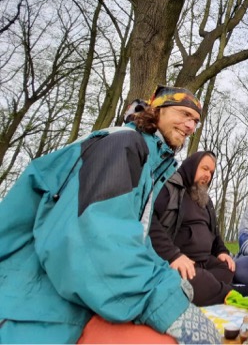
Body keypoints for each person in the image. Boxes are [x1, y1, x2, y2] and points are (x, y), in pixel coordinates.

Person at [0, 85, 221, 344]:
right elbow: (94, 241)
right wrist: (168, 306)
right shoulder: (121, 144)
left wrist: (170, 282)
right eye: (184, 114)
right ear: (158, 109)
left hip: (69, 291)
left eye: (195, 120)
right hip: (31, 300)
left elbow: (134, 239)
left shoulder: (149, 163)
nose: (190, 125)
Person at [150, 150, 235, 306]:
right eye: (204, 168)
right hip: (179, 260)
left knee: (227, 268)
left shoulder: (206, 200)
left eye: (211, 172)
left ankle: (205, 289)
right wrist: (172, 255)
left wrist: (222, 251)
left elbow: (215, 234)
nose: (208, 175)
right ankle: (226, 293)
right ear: (191, 166)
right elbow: (149, 221)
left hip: (205, 261)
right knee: (200, 280)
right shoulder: (170, 187)